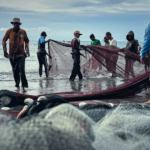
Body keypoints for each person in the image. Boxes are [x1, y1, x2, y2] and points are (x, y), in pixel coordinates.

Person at [3, 18, 30, 92]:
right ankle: (17, 85)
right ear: (13, 24)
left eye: (17, 23)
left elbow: (27, 41)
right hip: (12, 55)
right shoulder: (9, 31)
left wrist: (27, 49)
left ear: (19, 24)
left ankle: (23, 86)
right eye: (14, 23)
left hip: (21, 54)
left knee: (22, 70)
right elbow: (4, 40)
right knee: (15, 71)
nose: (16, 25)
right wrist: (4, 50)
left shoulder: (23, 32)